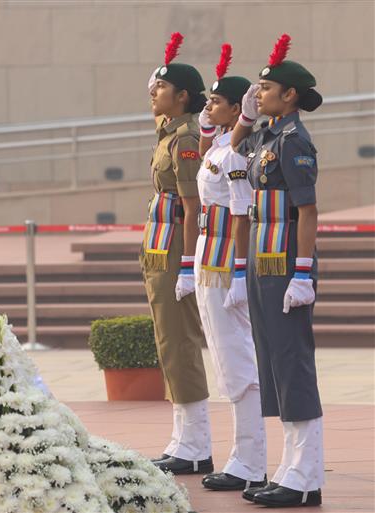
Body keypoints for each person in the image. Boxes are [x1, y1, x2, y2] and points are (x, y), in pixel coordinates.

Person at [230, 34, 324, 508]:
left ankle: (305, 475)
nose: (258, 91)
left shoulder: (294, 140)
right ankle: (290, 468)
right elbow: (229, 158)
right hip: (263, 263)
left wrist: (303, 274)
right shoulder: (265, 135)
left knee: (293, 365)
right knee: (272, 366)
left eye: (266, 88)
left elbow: (307, 212)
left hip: (287, 261)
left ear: (290, 96)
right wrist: (244, 120)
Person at [193, 43, 268, 493]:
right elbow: (208, 144)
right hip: (209, 255)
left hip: (225, 260)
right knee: (226, 360)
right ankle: (244, 457)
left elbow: (241, 211)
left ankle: (250, 460)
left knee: (236, 362)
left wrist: (239, 272)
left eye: (216, 101)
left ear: (238, 109)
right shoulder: (224, 143)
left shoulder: (237, 153)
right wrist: (217, 119)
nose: (208, 107)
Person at [142, 32, 212, 475]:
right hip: (159, 245)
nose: (153, 94)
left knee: (179, 340)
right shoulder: (170, 132)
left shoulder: (187, 138)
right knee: (166, 341)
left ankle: (196, 443)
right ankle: (183, 438)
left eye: (162, 89)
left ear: (183, 97)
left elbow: (193, 206)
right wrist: (158, 77)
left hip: (175, 248)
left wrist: (187, 262)